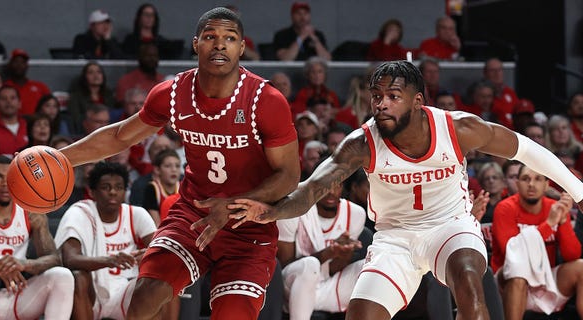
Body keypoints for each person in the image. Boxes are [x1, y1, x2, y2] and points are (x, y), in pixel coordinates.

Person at [228, 60, 583, 320]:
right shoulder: (361, 143)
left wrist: (579, 193)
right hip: (394, 238)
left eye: (393, 96)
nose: (381, 103)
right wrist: (271, 210)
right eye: (376, 95)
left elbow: (530, 151)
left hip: (451, 226)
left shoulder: (458, 128)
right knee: (362, 315)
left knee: (471, 285)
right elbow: (312, 189)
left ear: (417, 101)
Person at [57, 7, 299, 319]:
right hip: (192, 216)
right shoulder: (171, 94)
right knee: (144, 296)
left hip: (247, 225)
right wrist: (59, 158)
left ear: (241, 48)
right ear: (196, 44)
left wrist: (234, 204)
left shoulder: (266, 100)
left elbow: (290, 175)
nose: (220, 44)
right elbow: (119, 136)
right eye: (211, 37)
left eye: (230, 38)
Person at [0, 156, 75, 320]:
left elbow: (54, 259)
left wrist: (24, 264)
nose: (4, 184)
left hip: (19, 297)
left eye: (9, 178)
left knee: (63, 275)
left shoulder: (30, 209)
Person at [54, 161, 175, 320]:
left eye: (118, 187)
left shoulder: (135, 214)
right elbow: (70, 259)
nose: (113, 192)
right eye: (106, 187)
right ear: (92, 192)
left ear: (125, 191)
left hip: (125, 291)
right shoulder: (80, 212)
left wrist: (148, 254)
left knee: (165, 279)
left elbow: (162, 252)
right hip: (91, 294)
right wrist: (109, 260)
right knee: (78, 276)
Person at [277, 157, 366, 319]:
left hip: (326, 288)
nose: (331, 191)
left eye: (337, 184)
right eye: (325, 185)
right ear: (314, 184)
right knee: (309, 266)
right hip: (292, 288)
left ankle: (309, 303)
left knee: (371, 266)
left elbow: (333, 270)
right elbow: (283, 266)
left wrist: (343, 254)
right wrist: (328, 253)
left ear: (344, 187)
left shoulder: (356, 214)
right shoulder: (293, 209)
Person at [491, 165, 583, 319]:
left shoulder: (554, 207)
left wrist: (561, 222)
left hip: (545, 281)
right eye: (526, 179)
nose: (531, 184)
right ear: (517, 183)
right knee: (519, 271)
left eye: (538, 179)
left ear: (546, 185)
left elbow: (572, 255)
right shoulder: (505, 208)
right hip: (508, 283)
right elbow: (512, 255)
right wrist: (548, 224)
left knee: (581, 267)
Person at [67, 62, 115, 135]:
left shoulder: (108, 94)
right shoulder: (76, 97)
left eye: (99, 72)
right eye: (91, 72)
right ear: (84, 77)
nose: (96, 76)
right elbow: (76, 119)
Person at [4, 49, 52, 116]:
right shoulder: (3, 87)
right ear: (10, 65)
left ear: (27, 66)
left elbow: (51, 107)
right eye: (16, 61)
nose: (19, 65)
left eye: (22, 62)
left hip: (36, 124)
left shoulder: (40, 87)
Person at [0, 85, 28, 157]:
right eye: (3, 98)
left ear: (19, 103)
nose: (8, 101)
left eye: (12, 98)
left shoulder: (29, 126)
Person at [142, 149, 181, 225]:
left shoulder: (184, 187)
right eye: (168, 166)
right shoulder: (152, 188)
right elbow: (156, 224)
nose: (174, 170)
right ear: (157, 169)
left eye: (177, 166)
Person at [483, 57, 518, 129]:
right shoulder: (481, 94)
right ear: (485, 73)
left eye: (499, 70)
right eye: (492, 70)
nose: (497, 74)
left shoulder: (509, 92)